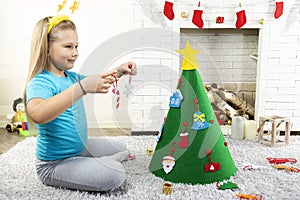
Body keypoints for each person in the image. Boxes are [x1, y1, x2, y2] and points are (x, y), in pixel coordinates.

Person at [24, 15, 137, 192]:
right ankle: (103, 164)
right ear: (47, 49)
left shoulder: (71, 77)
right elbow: (38, 114)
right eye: (68, 46)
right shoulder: (40, 83)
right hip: (54, 164)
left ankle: (91, 163)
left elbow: (99, 80)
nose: (75, 52)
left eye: (76, 46)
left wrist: (120, 70)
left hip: (79, 147)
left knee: (120, 146)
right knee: (114, 175)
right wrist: (81, 88)